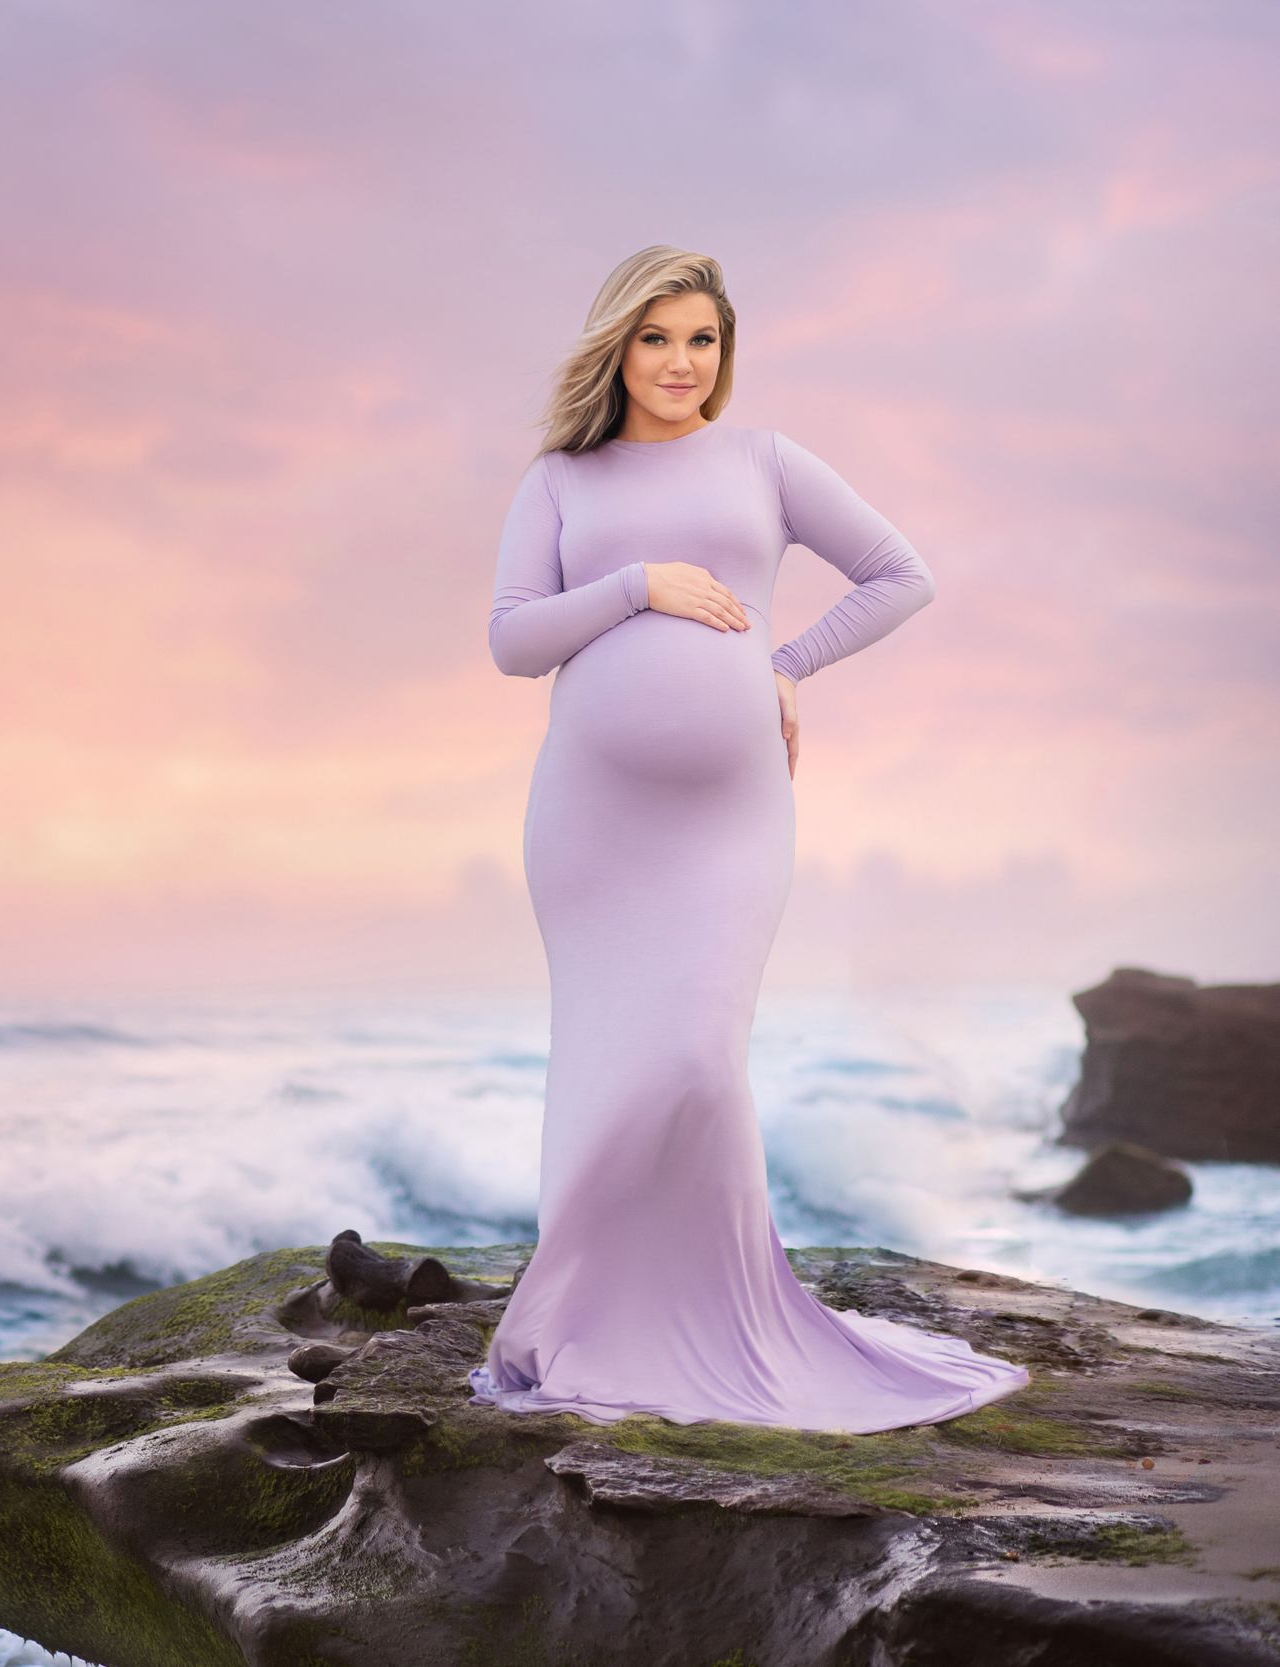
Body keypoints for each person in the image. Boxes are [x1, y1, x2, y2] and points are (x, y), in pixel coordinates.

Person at [464, 244, 1031, 1433]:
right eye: (656, 337)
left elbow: (899, 574)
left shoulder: (764, 460)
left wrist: (787, 662)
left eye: (701, 340)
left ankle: (712, 1319)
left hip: (728, 822)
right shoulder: (560, 479)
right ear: (616, 344)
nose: (680, 362)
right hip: (590, 825)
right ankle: (588, 1320)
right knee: (603, 1068)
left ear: (724, 352)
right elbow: (513, 641)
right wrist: (637, 586)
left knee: (695, 1059)